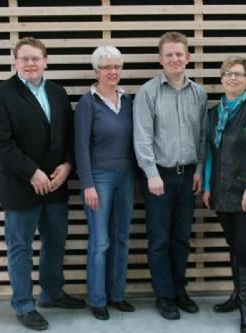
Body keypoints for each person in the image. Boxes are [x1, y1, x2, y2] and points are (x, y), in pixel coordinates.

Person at [0, 37, 85, 331]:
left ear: (46, 61)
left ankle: (52, 293)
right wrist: (32, 172)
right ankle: (24, 304)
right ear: (16, 62)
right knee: (20, 247)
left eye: (35, 58)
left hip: (56, 185)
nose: (30, 64)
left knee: (55, 242)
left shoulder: (57, 92)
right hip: (20, 186)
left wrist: (67, 166)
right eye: (24, 59)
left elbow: (69, 135)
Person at [133, 31, 208, 320]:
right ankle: (164, 295)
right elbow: (142, 138)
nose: (175, 59)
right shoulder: (148, 92)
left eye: (179, 54)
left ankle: (179, 290)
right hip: (159, 178)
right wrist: (151, 173)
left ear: (188, 57)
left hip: (188, 176)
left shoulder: (198, 93)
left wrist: (200, 170)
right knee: (159, 240)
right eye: (169, 54)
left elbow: (202, 138)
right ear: (160, 59)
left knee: (181, 238)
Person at [203, 56, 246, 333]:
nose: (233, 78)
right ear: (221, 79)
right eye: (228, 74)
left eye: (239, 74)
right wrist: (208, 186)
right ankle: (236, 295)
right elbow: (210, 153)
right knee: (234, 248)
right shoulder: (213, 113)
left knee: (244, 250)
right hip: (222, 193)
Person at [74, 46, 135, 321]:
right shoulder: (88, 102)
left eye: (117, 66)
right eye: (106, 67)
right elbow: (81, 146)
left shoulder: (128, 100)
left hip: (126, 177)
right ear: (95, 70)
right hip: (99, 178)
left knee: (121, 239)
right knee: (101, 242)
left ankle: (117, 295)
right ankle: (98, 299)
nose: (113, 72)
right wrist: (87, 183)